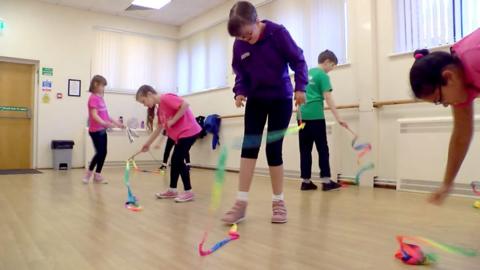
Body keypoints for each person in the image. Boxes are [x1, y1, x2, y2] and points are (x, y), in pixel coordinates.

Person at [221, 1, 308, 224]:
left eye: (248, 34)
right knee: (249, 146)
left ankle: (279, 202)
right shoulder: (240, 45)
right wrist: (240, 91)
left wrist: (300, 87)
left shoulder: (278, 33)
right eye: (240, 38)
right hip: (257, 99)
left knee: (273, 149)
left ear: (257, 21)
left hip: (280, 98)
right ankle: (240, 203)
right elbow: (240, 72)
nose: (245, 40)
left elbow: (298, 60)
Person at [408, 28, 480, 204]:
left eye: (440, 100)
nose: (446, 105)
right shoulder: (460, 80)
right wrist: (446, 184)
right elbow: (461, 136)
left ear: (448, 77)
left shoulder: (475, 57)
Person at [136, 85, 201, 202]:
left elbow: (185, 105)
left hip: (189, 131)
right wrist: (147, 144)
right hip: (181, 135)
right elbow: (159, 128)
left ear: (150, 94)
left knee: (177, 160)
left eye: (143, 101)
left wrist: (173, 120)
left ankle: (188, 192)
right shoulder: (160, 109)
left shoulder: (166, 98)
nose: (144, 105)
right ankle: (172, 190)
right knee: (175, 161)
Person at [299, 50, 348, 191]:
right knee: (322, 149)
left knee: (305, 150)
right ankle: (326, 181)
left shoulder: (306, 73)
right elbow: (328, 97)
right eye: (332, 66)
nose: (331, 69)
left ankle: (306, 182)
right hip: (315, 116)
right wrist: (339, 118)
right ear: (326, 62)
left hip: (301, 116)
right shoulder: (323, 76)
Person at [83, 75, 124, 184]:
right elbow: (94, 115)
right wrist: (105, 124)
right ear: (96, 84)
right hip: (95, 131)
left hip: (102, 130)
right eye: (102, 86)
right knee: (99, 152)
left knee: (103, 152)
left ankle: (97, 175)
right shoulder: (93, 98)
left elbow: (106, 115)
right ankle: (88, 174)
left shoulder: (100, 98)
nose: (103, 88)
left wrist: (117, 123)